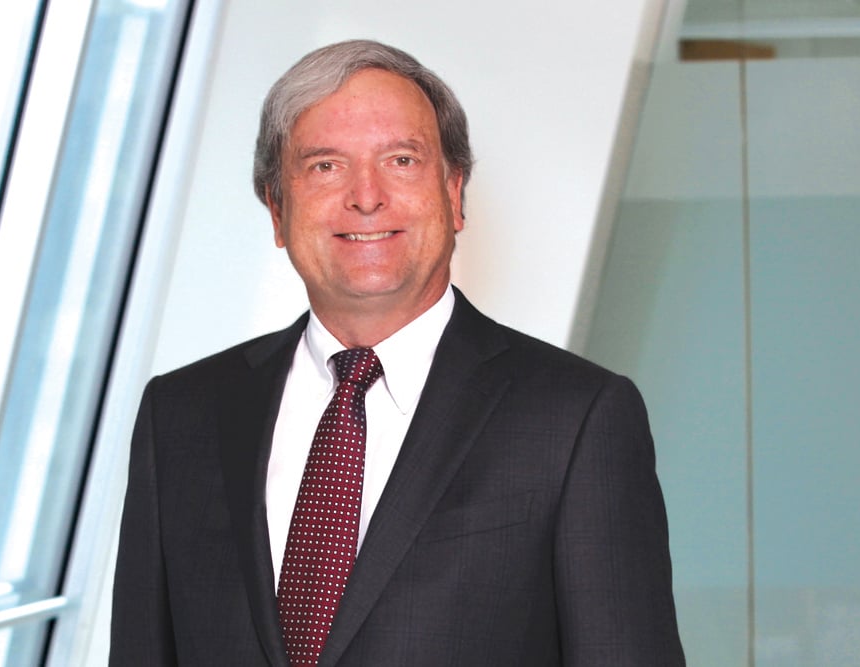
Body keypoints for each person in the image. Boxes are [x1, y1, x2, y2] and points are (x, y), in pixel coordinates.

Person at [111, 39, 683, 666]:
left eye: (402, 160)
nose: (366, 196)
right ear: (276, 209)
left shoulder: (576, 417)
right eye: (325, 166)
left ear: (454, 193)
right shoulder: (180, 414)